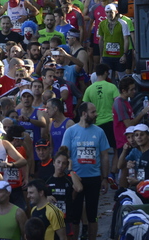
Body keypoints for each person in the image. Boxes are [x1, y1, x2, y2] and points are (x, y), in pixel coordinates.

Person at [60, 103, 110, 240]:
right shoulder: (71, 132)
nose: (96, 114)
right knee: (75, 216)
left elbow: (105, 156)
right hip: (75, 178)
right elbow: (64, 154)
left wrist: (105, 178)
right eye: (93, 112)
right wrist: (67, 174)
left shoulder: (99, 132)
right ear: (84, 114)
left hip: (94, 178)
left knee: (92, 215)